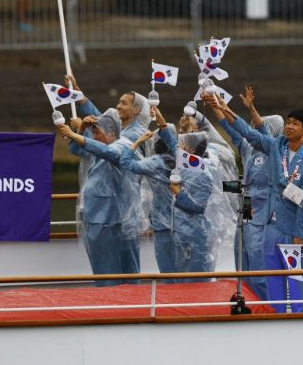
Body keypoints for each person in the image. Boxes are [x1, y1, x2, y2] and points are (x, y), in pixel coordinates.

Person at [204, 91, 303, 313]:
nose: (289, 126)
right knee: (251, 257)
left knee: (294, 279)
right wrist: (221, 106)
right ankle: (266, 312)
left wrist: (298, 231)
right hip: (254, 209)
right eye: (288, 122)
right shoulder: (262, 147)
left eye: (294, 124)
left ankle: (298, 318)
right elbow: (243, 131)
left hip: (289, 223)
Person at [211, 89, 283, 300]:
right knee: (241, 252)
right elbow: (229, 127)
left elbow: (261, 132)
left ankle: (267, 304)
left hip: (265, 205)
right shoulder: (247, 148)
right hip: (247, 202)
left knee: (257, 255)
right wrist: (215, 102)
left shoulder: (274, 150)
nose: (252, 130)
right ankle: (249, 300)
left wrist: (250, 109)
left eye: (258, 127)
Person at [58, 109, 132, 286]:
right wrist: (81, 129)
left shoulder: (121, 146)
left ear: (112, 132)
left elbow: (107, 152)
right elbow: (76, 149)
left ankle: (112, 300)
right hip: (94, 216)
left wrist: (77, 136)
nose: (94, 136)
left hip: (107, 219)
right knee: (99, 266)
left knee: (108, 267)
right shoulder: (97, 147)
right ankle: (106, 296)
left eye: (97, 131)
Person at [119, 118, 179, 280]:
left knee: (168, 271)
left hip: (163, 223)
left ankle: (172, 301)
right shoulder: (183, 161)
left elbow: (125, 162)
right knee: (183, 268)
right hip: (183, 222)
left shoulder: (154, 163)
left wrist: (137, 142)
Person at [169, 132, 218, 281]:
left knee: (195, 282)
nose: (178, 148)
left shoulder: (202, 172)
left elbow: (198, 206)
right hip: (183, 231)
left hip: (194, 234)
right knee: (183, 280)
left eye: (181, 145)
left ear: (190, 150)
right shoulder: (186, 169)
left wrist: (178, 193)